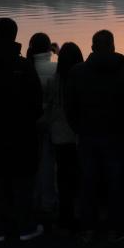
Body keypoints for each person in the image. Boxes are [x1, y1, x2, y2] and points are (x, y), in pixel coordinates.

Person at [0, 18, 44, 242]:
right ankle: (25, 227)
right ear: (15, 35)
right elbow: (36, 102)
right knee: (22, 182)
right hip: (20, 134)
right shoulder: (23, 67)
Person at [65, 30, 124, 243]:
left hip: (87, 134)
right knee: (115, 182)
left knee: (88, 183)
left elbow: (70, 106)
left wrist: (78, 128)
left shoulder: (77, 72)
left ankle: (87, 228)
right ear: (113, 46)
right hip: (115, 135)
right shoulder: (123, 72)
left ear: (92, 47)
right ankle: (115, 228)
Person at [44, 42, 83, 233]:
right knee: (80, 176)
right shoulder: (83, 79)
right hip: (79, 135)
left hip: (59, 136)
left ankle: (65, 216)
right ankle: (81, 215)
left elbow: (49, 108)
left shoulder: (54, 81)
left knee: (63, 178)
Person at [27, 33, 58, 214]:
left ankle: (33, 201)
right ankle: (49, 202)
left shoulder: (26, 67)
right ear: (49, 48)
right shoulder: (55, 69)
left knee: (31, 164)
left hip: (29, 122)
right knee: (49, 165)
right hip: (50, 122)